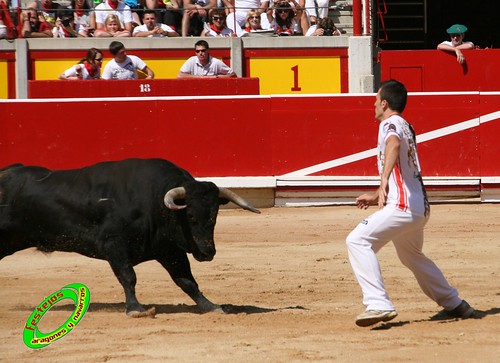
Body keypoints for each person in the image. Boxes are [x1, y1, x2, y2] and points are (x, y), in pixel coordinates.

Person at [345, 79, 477, 328]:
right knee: (411, 255)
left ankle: (378, 304)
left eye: (376, 100)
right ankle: (454, 303)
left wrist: (382, 183)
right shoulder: (406, 124)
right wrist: (377, 193)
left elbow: (393, 144)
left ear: (384, 103)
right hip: (419, 206)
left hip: (402, 205)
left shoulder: (389, 123)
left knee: (357, 240)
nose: (373, 105)